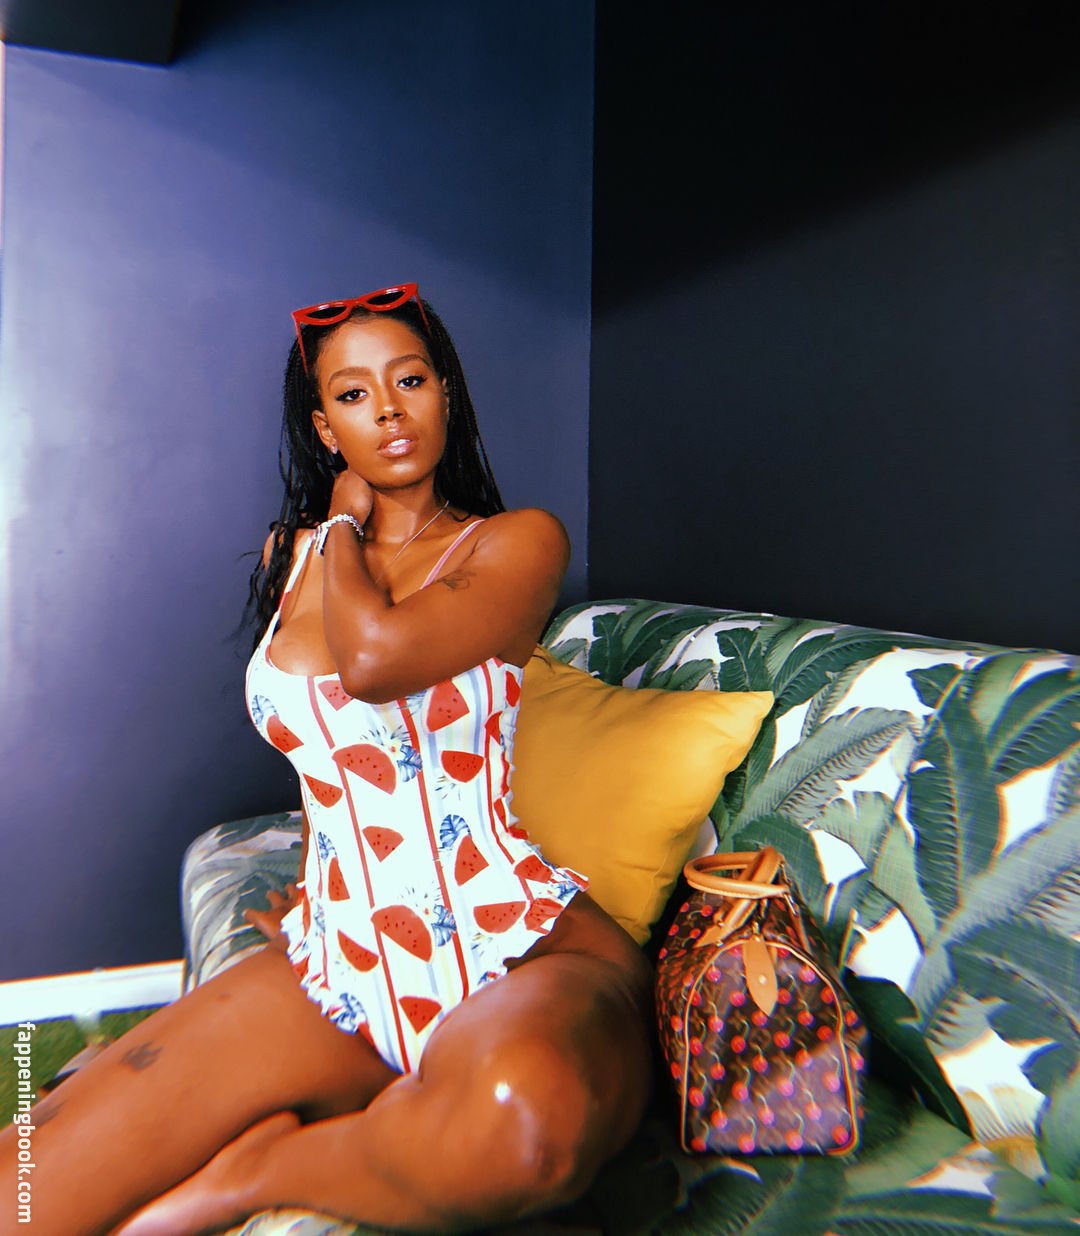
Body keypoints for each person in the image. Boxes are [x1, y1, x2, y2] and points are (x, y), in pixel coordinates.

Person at [0, 285, 654, 1235]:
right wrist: (319, 889)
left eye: (410, 380)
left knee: (522, 1132)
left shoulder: (516, 543)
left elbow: (374, 663)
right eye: (352, 395)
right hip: (344, 960)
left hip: (524, 953)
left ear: (445, 394)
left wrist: (345, 525)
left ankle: (261, 1169)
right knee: (28, 1185)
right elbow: (329, 755)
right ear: (323, 427)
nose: (387, 409)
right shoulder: (291, 556)